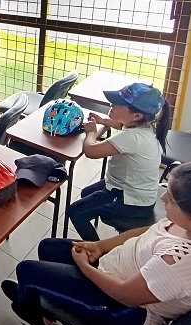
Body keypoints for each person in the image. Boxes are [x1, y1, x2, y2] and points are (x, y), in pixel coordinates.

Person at [1, 163, 191, 325]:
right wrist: (101, 246)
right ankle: (38, 302)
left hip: (123, 308)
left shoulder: (183, 262)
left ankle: (36, 315)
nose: (162, 199)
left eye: (170, 199)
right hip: (118, 268)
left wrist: (85, 266)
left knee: (27, 271)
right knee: (49, 247)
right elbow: (150, 231)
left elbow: (126, 295)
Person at [68, 83, 172, 241]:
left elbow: (91, 151)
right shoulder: (147, 126)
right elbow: (121, 124)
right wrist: (103, 120)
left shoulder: (132, 138)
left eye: (118, 104)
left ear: (137, 116)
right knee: (86, 193)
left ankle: (97, 253)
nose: (112, 104)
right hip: (133, 191)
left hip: (131, 202)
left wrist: (91, 132)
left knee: (75, 212)